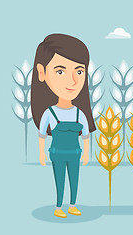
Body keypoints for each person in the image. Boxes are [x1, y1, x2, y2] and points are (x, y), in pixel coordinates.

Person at [31, 33, 96, 218]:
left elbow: (85, 135)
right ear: (42, 73)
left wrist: (86, 154)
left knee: (74, 180)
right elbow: (42, 134)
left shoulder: (79, 113)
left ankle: (72, 204)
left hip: (75, 153)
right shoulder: (49, 113)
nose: (73, 81)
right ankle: (59, 206)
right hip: (57, 153)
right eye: (60, 71)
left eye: (79, 71)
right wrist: (41, 154)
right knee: (59, 180)